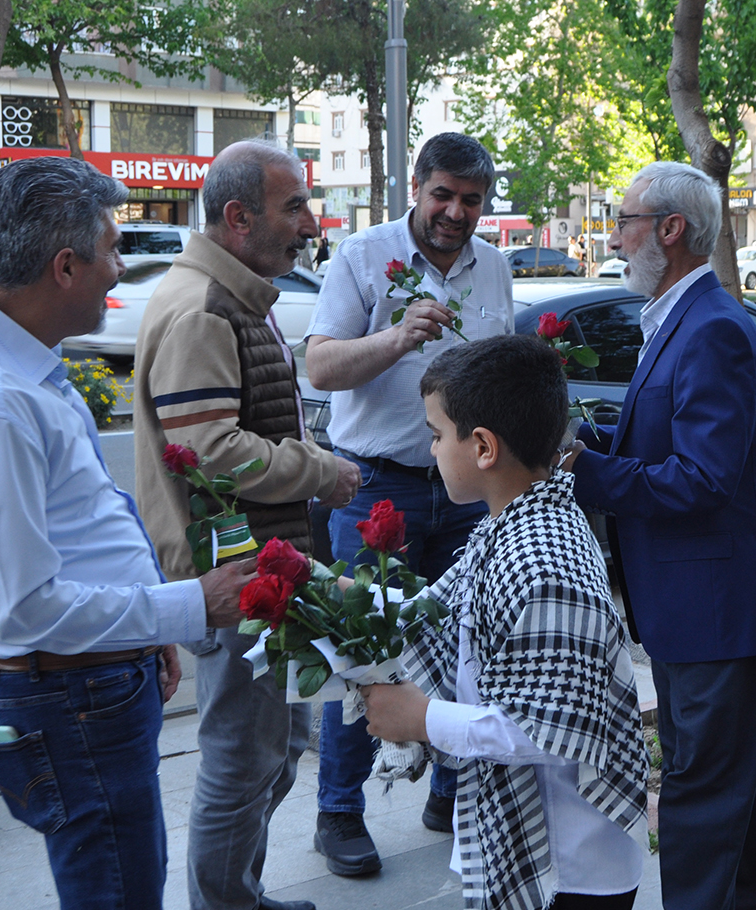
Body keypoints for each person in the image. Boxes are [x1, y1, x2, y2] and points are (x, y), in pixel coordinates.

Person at [0, 157, 259, 910]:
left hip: (90, 685)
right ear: (64, 267)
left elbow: (76, 524)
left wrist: (147, 626)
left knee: (123, 879)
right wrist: (186, 607)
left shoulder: (8, 362)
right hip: (69, 699)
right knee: (117, 890)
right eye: (113, 250)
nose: (120, 270)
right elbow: (26, 608)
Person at [134, 140, 359, 910]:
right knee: (243, 755)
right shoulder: (203, 307)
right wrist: (323, 471)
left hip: (264, 571)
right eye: (292, 206)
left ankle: (241, 894)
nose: (307, 222)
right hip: (235, 579)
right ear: (238, 218)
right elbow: (211, 454)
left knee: (277, 745)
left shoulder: (235, 295)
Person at [362, 334, 650, 910]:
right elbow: (432, 611)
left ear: (484, 447)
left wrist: (424, 718)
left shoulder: (543, 561)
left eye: (438, 435)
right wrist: (317, 593)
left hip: (571, 863)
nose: (432, 450)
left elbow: (545, 728)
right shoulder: (514, 523)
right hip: (530, 835)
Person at [560, 160, 756, 910]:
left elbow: (700, 478)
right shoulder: (678, 316)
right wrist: (589, 439)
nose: (615, 238)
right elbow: (663, 436)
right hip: (691, 609)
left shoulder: (711, 328)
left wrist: (586, 470)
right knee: (722, 801)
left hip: (714, 611)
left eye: (623, 222)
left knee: (698, 802)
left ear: (670, 230)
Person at [303, 131, 515, 875]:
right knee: (363, 653)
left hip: (465, 491)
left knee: (465, 646)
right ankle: (338, 812)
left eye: (472, 201)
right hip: (376, 485)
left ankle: (452, 795)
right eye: (444, 196)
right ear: (416, 188)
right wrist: (395, 338)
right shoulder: (364, 257)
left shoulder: (495, 268)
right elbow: (321, 365)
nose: (456, 213)